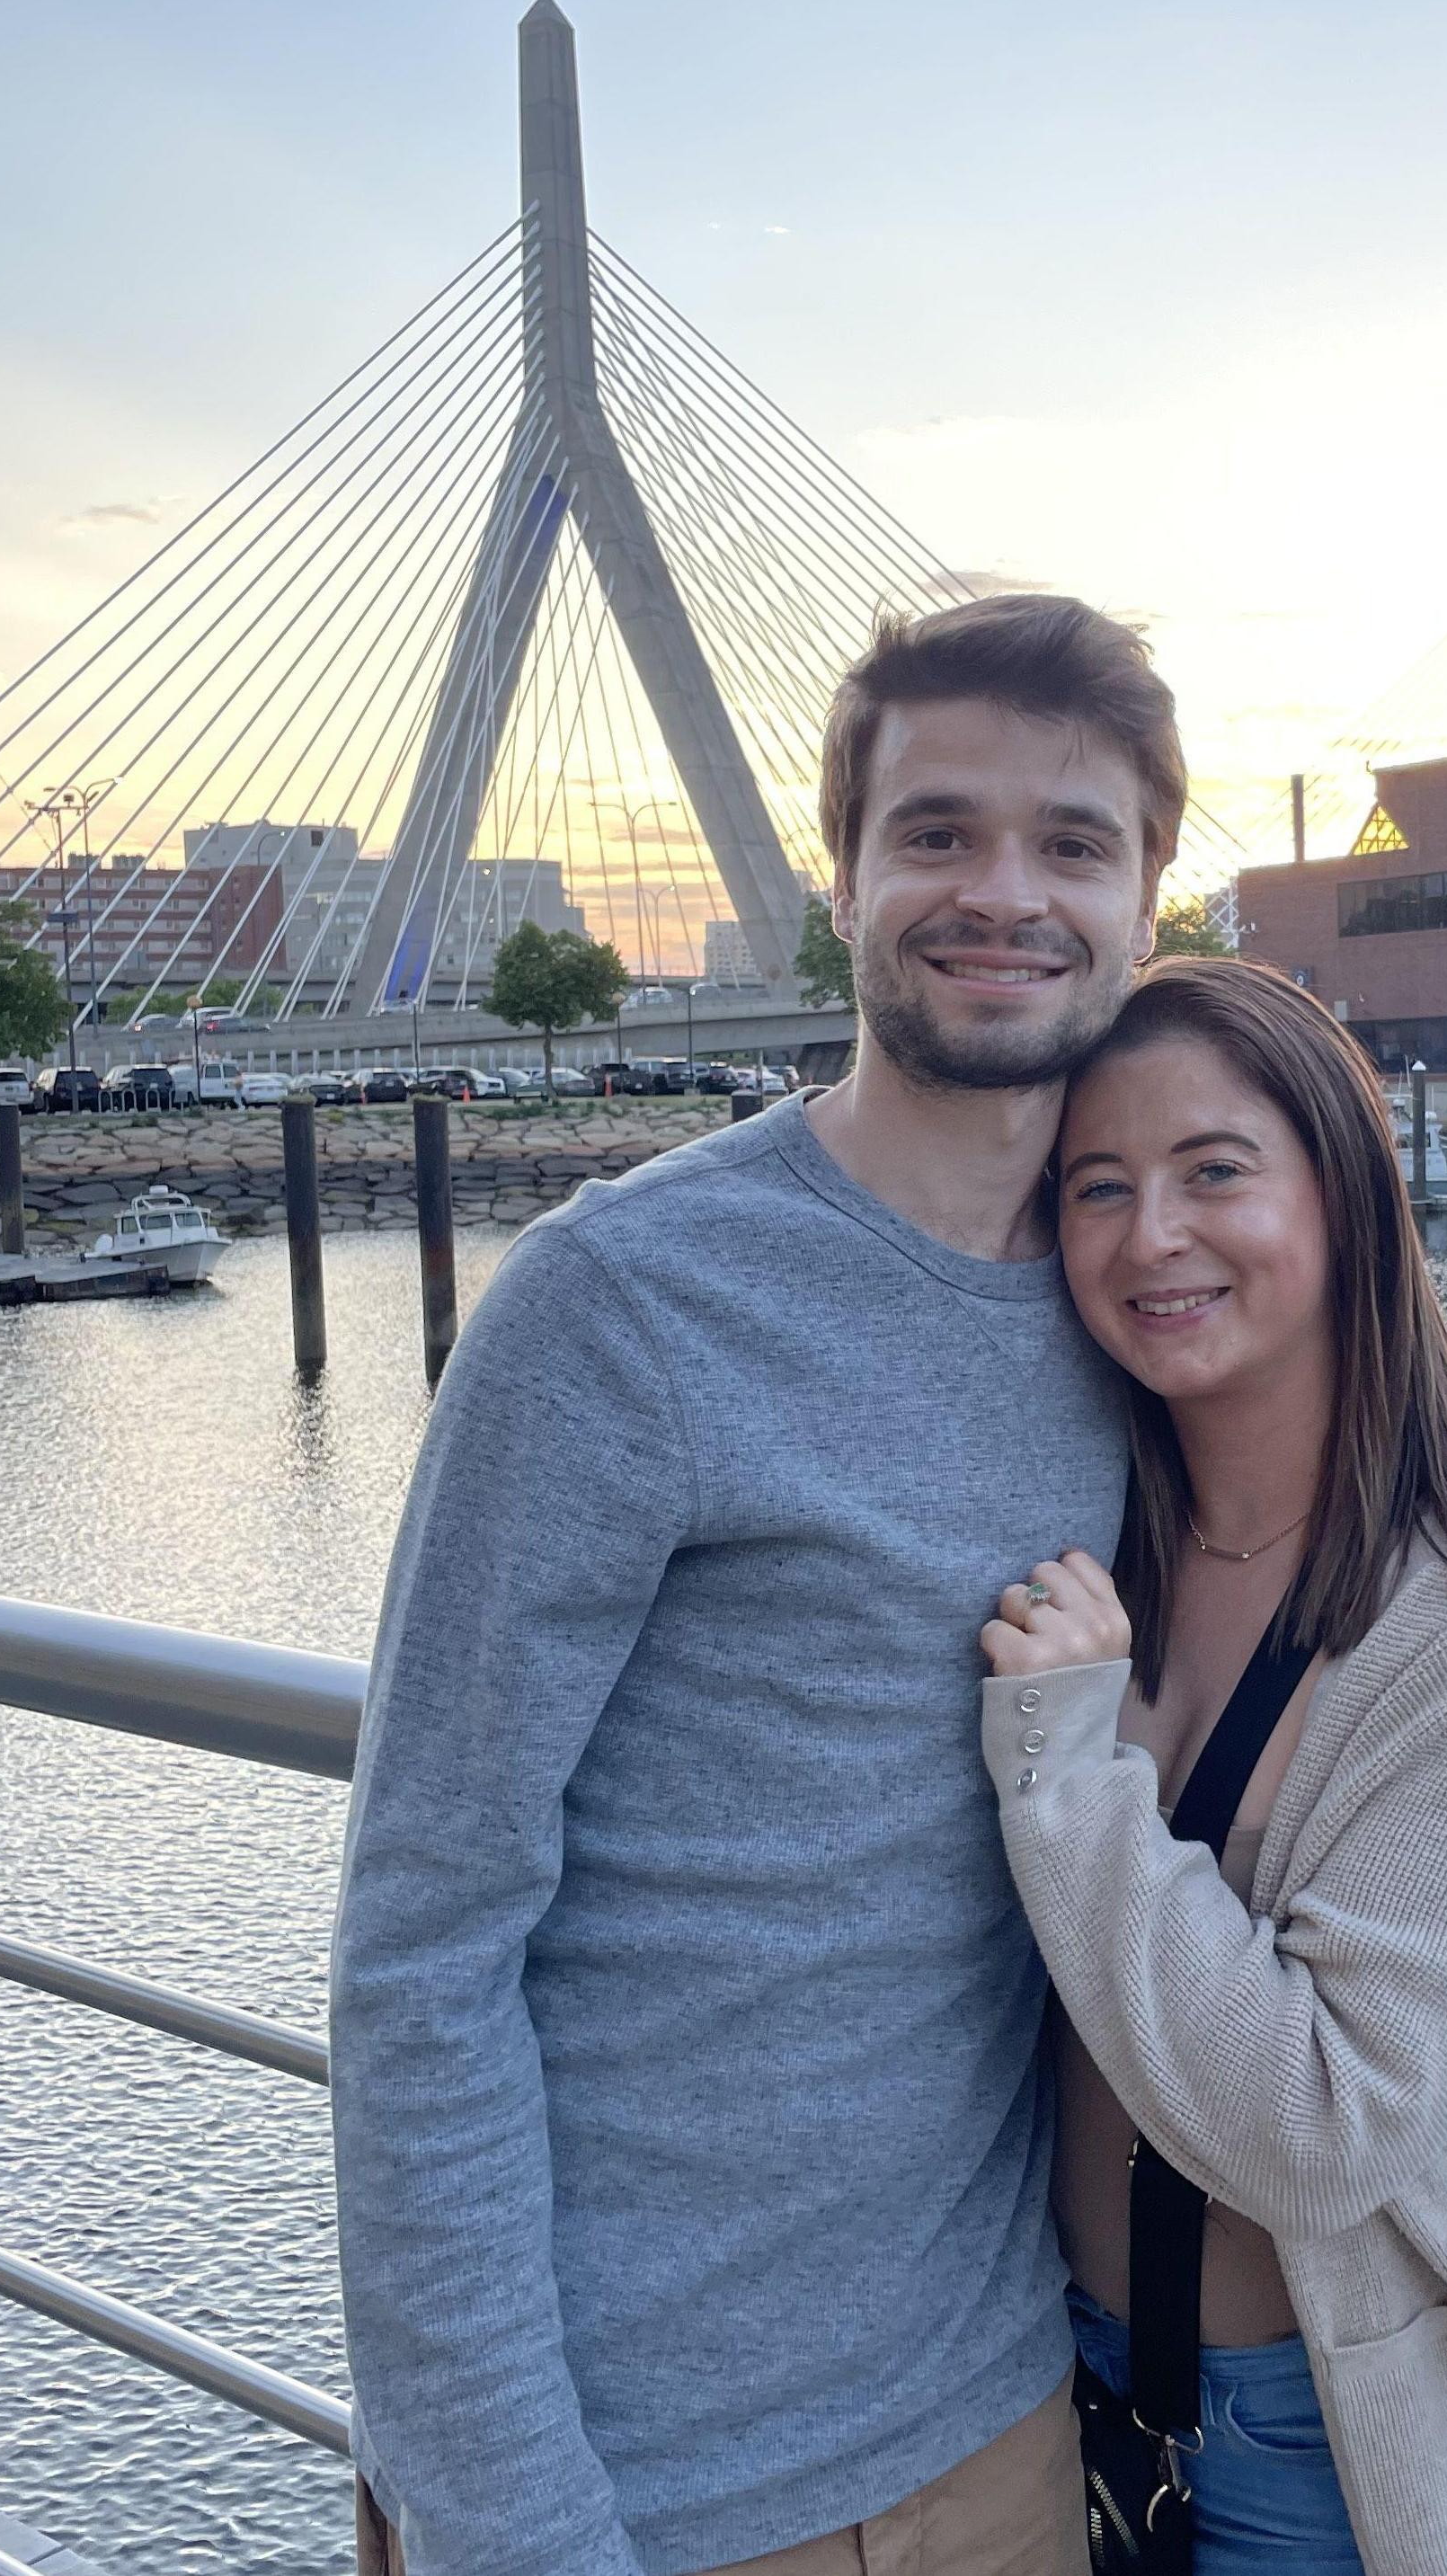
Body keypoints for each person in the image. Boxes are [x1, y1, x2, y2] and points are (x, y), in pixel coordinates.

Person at [329, 594, 1185, 2576]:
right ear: (841, 877)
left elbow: (1336, 1481)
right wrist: (514, 2528)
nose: (1005, 894)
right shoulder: (618, 1304)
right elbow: (424, 1948)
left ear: (1149, 902)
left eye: (1072, 843)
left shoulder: (1138, 1305)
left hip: (998, 2432)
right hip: (640, 2487)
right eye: (938, 832)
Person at [976, 956, 1447, 2576]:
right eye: (1098, 1186)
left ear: (1345, 1196)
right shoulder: (1083, 1544)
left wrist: (1071, 1770)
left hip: (1338, 2452)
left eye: (1215, 1171)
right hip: (1041, 2388)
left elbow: (1317, 2128)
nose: (1152, 1236)